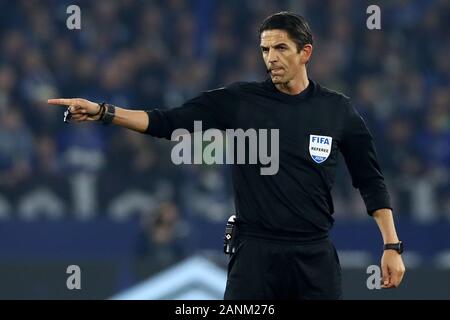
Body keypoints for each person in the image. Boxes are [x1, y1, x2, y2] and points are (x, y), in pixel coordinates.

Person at [47, 11, 405, 299]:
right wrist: (104, 112)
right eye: (265, 50)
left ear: (305, 52)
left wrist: (391, 244)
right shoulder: (239, 101)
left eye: (281, 48)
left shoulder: (337, 110)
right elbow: (168, 122)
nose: (271, 58)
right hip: (255, 256)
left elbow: (370, 179)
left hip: (314, 257)